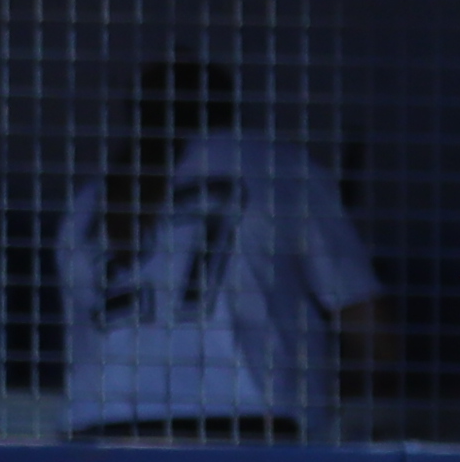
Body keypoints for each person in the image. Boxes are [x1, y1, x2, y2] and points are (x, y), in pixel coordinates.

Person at [56, 50, 380, 440]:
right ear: (229, 107)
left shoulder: (86, 207)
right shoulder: (278, 168)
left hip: (102, 428)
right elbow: (374, 334)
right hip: (242, 423)